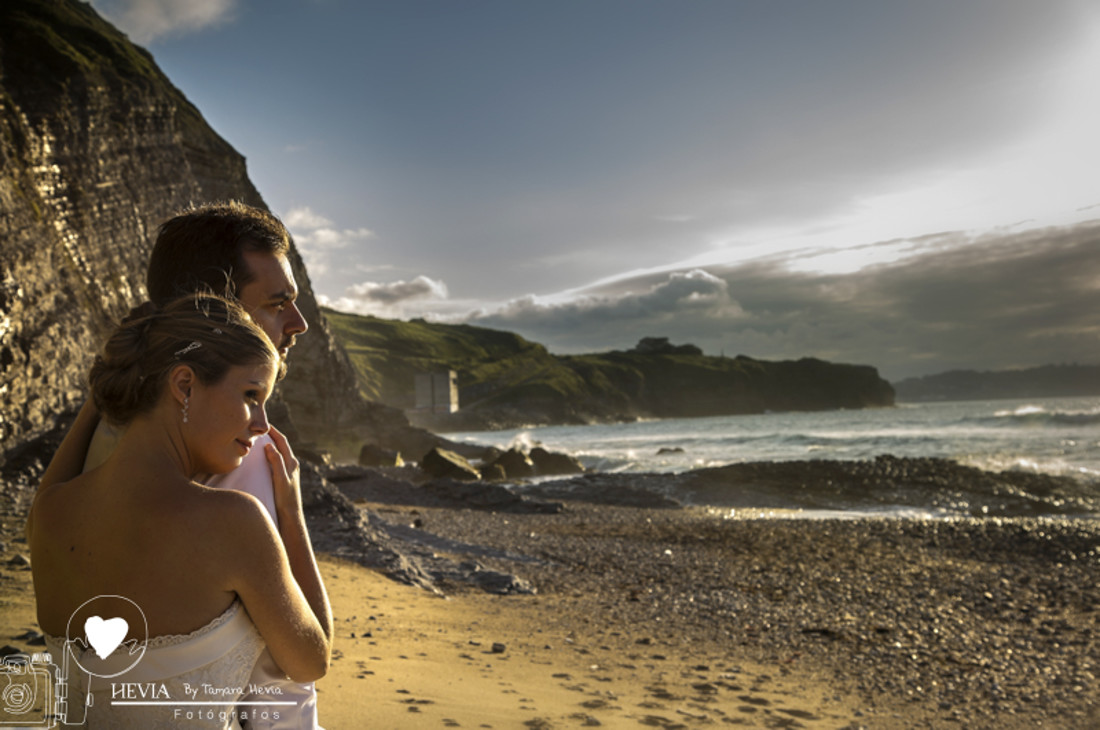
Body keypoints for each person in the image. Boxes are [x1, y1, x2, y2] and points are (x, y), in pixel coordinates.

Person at [37, 201, 322, 728]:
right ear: (216, 310)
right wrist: (291, 515)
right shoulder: (243, 463)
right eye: (278, 302)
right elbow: (285, 686)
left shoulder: (72, 480)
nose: (299, 322)